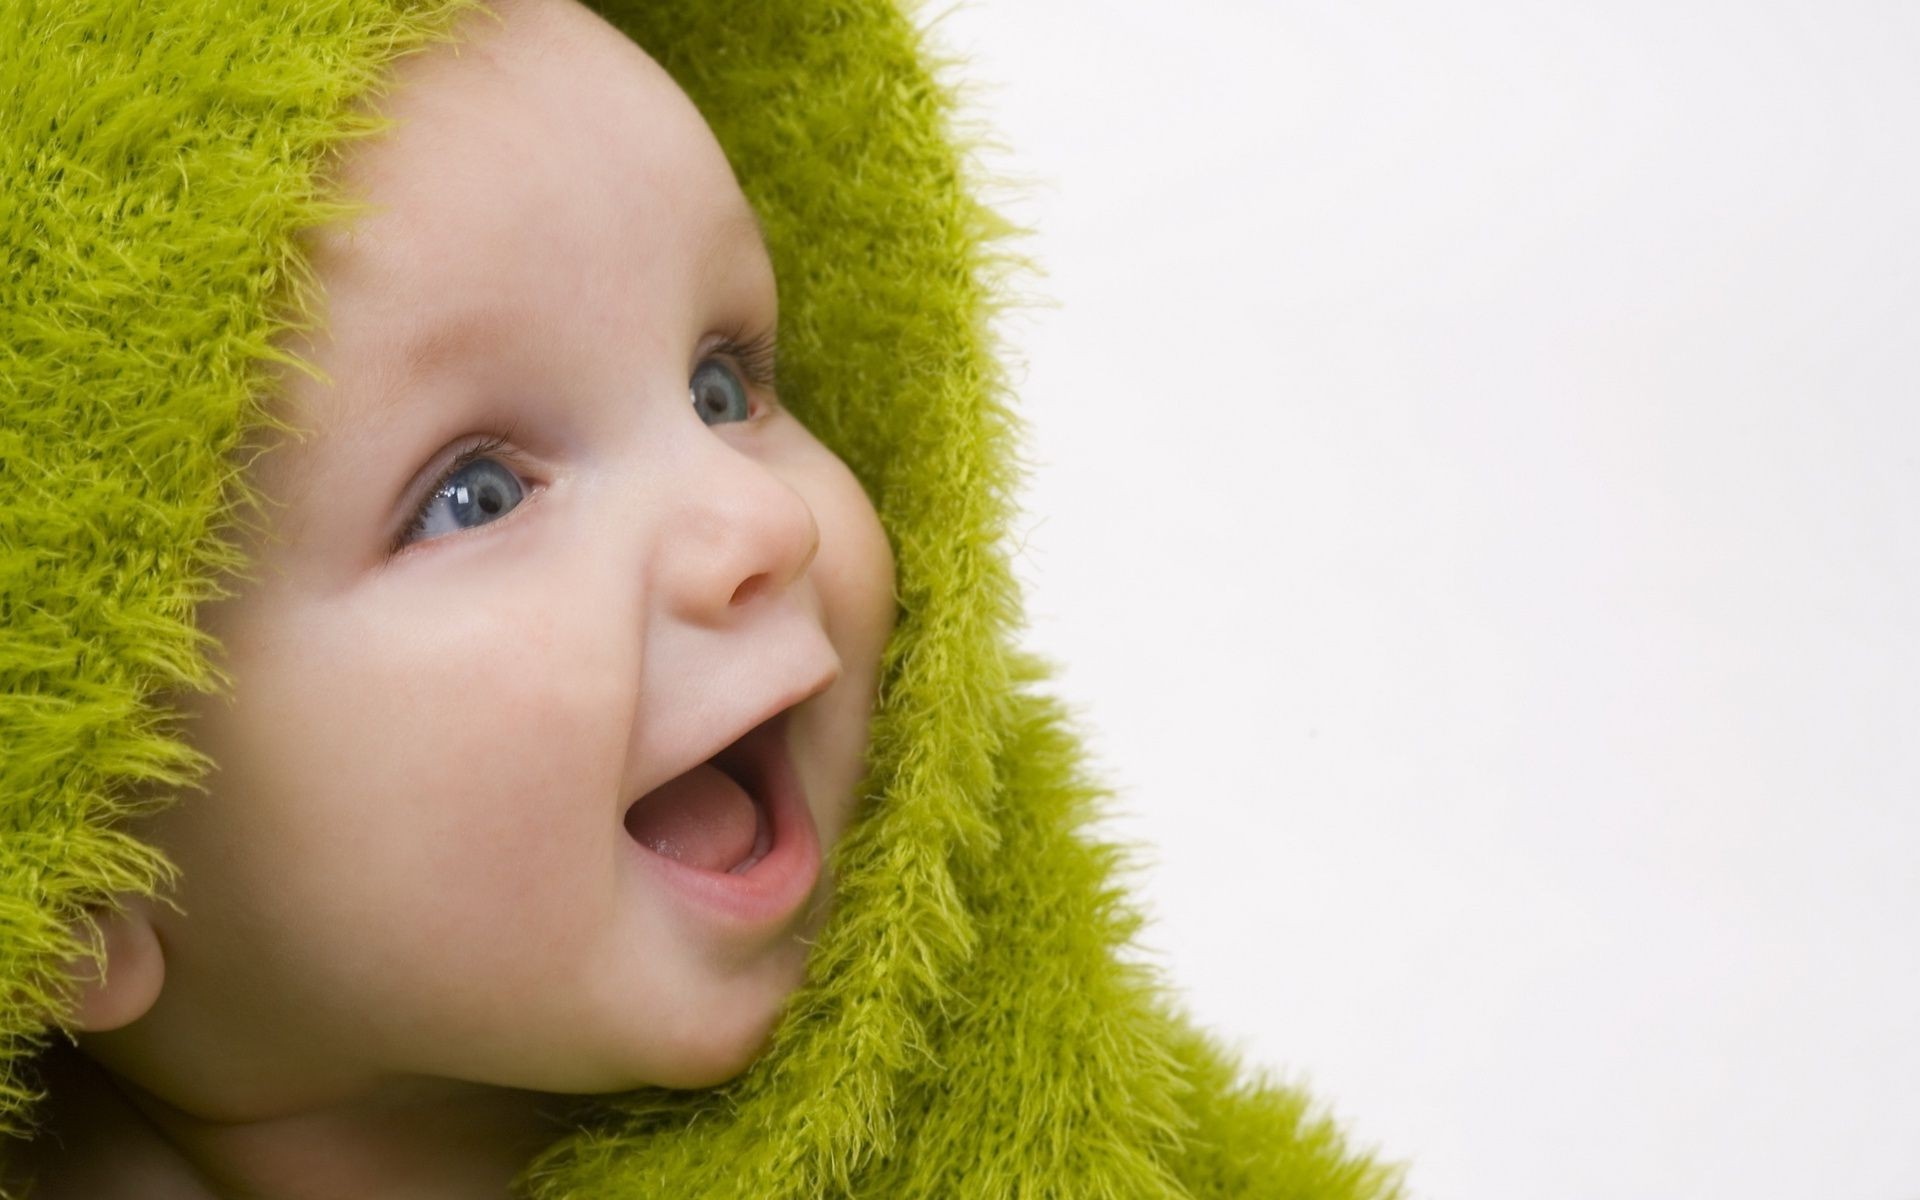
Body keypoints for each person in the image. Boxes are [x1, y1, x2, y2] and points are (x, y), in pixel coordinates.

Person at [0, 1, 1410, 1196]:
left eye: (723, 385)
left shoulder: (1057, 1115)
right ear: (78, 865)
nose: (757, 519)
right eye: (475, 494)